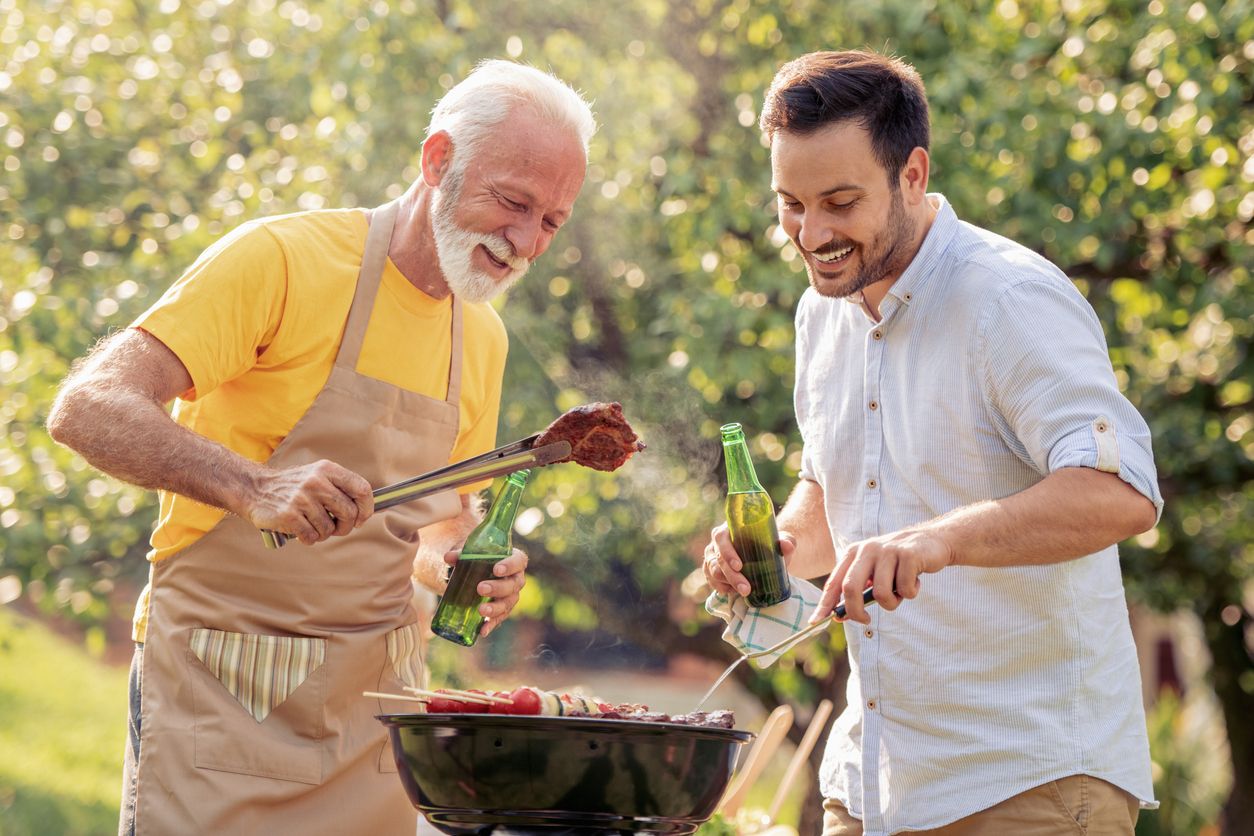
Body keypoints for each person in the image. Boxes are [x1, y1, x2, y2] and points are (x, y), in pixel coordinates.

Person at [47, 60, 595, 836]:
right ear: (437, 159)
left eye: (551, 221)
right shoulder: (282, 259)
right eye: (512, 201)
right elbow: (87, 406)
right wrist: (253, 486)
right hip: (219, 696)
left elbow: (441, 521)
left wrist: (465, 565)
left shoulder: (482, 337)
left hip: (370, 720)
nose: (525, 241)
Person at [703, 50, 1161, 836]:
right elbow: (836, 489)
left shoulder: (1009, 299)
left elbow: (1124, 492)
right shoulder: (824, 314)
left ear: (912, 174)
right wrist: (771, 547)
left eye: (840, 202)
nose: (812, 234)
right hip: (873, 782)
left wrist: (938, 541)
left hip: (1029, 783)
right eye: (791, 205)